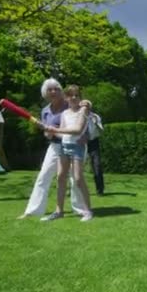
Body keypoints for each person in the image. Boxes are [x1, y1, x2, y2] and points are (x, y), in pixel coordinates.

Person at [17, 78, 88, 219]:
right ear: (46, 93)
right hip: (55, 146)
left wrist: (86, 133)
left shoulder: (70, 104)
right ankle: (32, 211)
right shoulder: (45, 111)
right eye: (50, 89)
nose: (54, 91)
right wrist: (48, 133)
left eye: (56, 88)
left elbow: (86, 115)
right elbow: (46, 131)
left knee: (75, 179)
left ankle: (81, 210)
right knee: (43, 176)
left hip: (75, 145)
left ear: (61, 91)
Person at [43, 85, 93, 222]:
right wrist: (51, 132)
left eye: (77, 95)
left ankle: (88, 211)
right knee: (60, 177)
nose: (74, 98)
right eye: (71, 95)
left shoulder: (84, 111)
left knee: (77, 178)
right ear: (66, 98)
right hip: (64, 146)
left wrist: (56, 129)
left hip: (78, 147)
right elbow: (63, 134)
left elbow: (77, 130)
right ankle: (59, 211)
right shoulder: (64, 113)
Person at [86, 107, 105, 196]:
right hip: (80, 142)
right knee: (74, 167)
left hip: (93, 142)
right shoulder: (77, 115)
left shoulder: (95, 117)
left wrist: (96, 123)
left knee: (97, 166)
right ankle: (73, 190)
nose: (85, 108)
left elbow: (101, 131)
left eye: (87, 106)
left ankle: (100, 190)